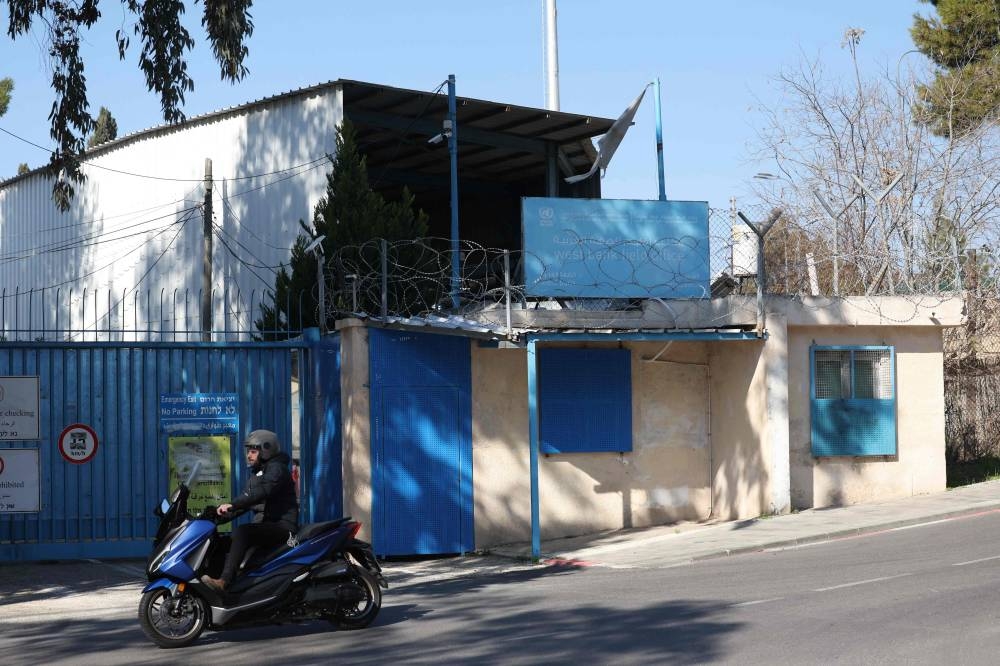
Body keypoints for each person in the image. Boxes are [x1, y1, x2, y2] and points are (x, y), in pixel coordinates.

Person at [201, 429, 298, 592]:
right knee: (219, 542)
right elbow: (245, 503)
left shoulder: (277, 469)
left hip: (282, 527)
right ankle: (213, 587)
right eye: (248, 451)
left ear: (266, 450)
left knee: (242, 532)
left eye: (253, 451)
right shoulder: (258, 474)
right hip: (265, 526)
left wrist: (232, 505)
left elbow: (261, 493)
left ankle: (224, 581)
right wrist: (213, 517)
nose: (249, 455)